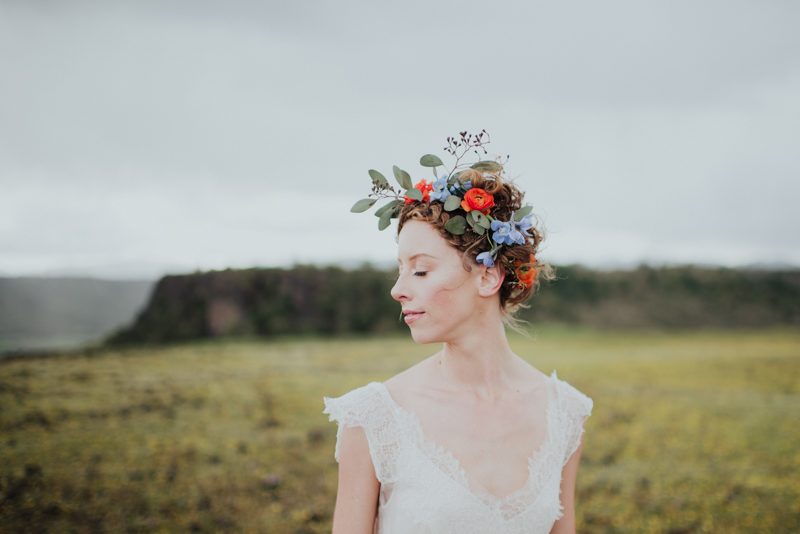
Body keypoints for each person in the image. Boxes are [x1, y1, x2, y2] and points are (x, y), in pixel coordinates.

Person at [323, 133, 594, 533]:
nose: (397, 289)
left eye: (420, 270)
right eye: (399, 269)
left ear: (487, 276)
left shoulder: (565, 414)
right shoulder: (374, 420)